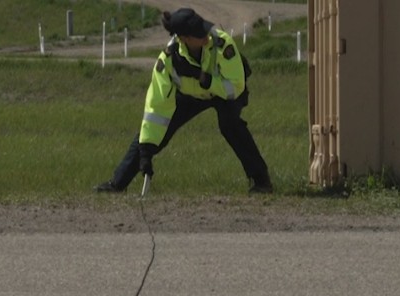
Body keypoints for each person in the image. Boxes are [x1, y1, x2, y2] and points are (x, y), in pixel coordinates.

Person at [94, 8, 274, 194]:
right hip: (190, 96)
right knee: (155, 134)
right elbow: (156, 108)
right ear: (184, 38)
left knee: (230, 125)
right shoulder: (168, 60)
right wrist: (146, 151)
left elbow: (236, 86)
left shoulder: (222, 44)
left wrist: (204, 78)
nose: (205, 34)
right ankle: (117, 184)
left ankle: (262, 182)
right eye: (198, 33)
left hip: (225, 94)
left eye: (203, 27)